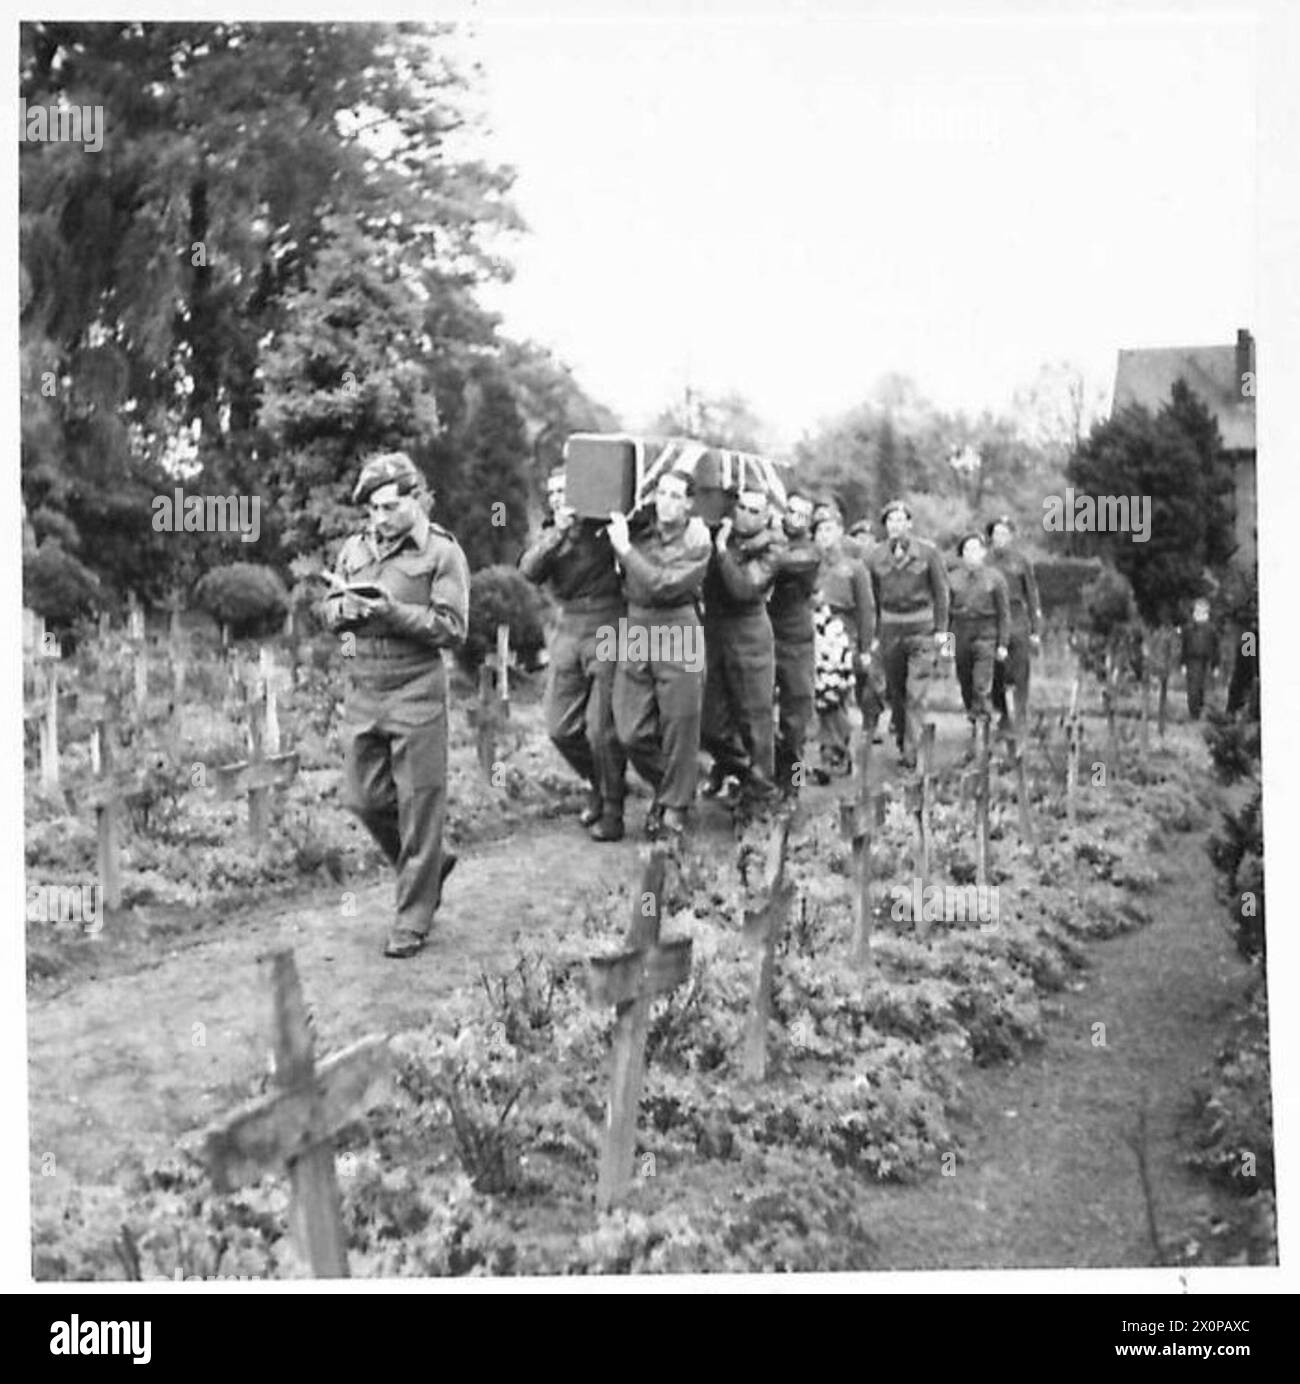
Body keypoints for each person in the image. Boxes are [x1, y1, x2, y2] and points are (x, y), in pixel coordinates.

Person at [321, 451, 470, 959]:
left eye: (388, 508)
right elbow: (329, 611)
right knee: (363, 798)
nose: (379, 520)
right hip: (364, 685)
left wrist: (391, 611)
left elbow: (452, 628)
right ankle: (430, 866)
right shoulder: (355, 550)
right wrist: (345, 611)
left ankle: (412, 917)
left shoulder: (442, 553)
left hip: (416, 686)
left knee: (419, 802)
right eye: (372, 511)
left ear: (415, 499)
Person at [519, 468, 627, 840]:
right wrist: (559, 532)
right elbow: (529, 570)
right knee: (559, 727)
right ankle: (598, 783)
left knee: (602, 729)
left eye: (565, 488)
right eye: (552, 491)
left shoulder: (603, 522)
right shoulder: (552, 531)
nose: (557, 496)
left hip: (609, 620)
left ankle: (613, 809)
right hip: (569, 625)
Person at [607, 470, 712, 839]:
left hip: (677, 625)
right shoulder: (638, 530)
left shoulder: (698, 542)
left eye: (675, 496)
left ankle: (675, 808)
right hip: (636, 625)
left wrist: (624, 550)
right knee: (630, 730)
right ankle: (677, 787)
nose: (665, 501)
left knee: (680, 723)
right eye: (661, 493)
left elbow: (664, 585)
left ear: (688, 504)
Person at [701, 485, 784, 807]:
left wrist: (720, 550)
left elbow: (743, 588)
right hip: (715, 631)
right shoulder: (722, 534)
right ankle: (745, 773)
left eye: (754, 510)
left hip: (749, 632)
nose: (746, 516)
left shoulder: (774, 546)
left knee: (756, 719)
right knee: (711, 723)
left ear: (766, 516)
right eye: (742, 508)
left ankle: (764, 794)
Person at [865, 500, 950, 767]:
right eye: (890, 521)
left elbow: (942, 594)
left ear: (909, 524)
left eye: (901, 520)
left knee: (916, 694)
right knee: (896, 694)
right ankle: (904, 741)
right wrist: (873, 635)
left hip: (922, 631)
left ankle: (913, 754)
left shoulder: (928, 553)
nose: (895, 526)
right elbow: (872, 599)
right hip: (890, 632)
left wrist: (942, 636)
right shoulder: (874, 556)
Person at [811, 503, 876, 780]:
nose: (824, 535)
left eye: (829, 529)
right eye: (819, 530)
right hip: (810, 634)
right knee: (813, 700)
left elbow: (866, 609)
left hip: (842, 635)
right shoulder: (807, 564)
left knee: (834, 696)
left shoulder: (854, 568)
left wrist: (864, 647)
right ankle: (808, 767)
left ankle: (836, 754)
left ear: (839, 531)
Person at [767, 490, 822, 798]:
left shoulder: (810, 552)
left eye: (802, 515)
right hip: (765, 633)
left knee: (796, 718)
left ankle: (795, 781)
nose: (794, 519)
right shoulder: (771, 540)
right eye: (791, 511)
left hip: (796, 638)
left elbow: (782, 563)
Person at [947, 532, 1010, 758]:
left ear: (983, 552)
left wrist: (1002, 643)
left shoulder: (995, 578)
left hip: (986, 634)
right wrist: (947, 647)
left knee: (981, 685)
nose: (972, 555)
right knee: (965, 683)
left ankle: (982, 740)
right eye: (967, 551)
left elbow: (1004, 613)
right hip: (961, 632)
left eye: (976, 550)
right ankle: (973, 723)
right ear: (962, 555)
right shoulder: (952, 579)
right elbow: (946, 615)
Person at [985, 515, 1043, 737]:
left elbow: (1032, 597)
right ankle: (1002, 718)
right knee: (994, 673)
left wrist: (1036, 631)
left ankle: (1020, 720)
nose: (1000, 538)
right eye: (996, 533)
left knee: (1020, 673)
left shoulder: (1021, 562)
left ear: (1011, 537)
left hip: (1017, 619)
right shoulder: (984, 561)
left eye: (1004, 533)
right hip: (992, 620)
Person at [1179, 596, 1219, 721]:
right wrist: (1183, 664)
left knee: (1203, 688)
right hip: (1192, 661)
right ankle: (1193, 714)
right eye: (1198, 611)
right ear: (1194, 612)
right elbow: (1184, 647)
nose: (1200, 614)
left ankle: (1201, 711)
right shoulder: (1188, 629)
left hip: (1206, 662)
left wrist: (1216, 665)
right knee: (1193, 689)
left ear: (1207, 613)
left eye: (1203, 611)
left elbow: (1216, 648)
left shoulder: (1212, 630)